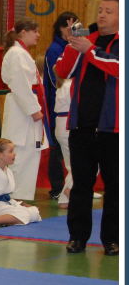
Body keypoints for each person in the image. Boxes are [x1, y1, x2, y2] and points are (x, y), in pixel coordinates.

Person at [54, 0, 119, 256]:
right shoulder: (85, 40)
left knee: (115, 187)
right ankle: (77, 237)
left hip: (113, 129)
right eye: (100, 10)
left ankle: (112, 239)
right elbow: (62, 72)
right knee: (81, 185)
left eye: (109, 11)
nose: (102, 15)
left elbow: (117, 67)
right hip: (82, 126)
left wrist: (89, 50)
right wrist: (73, 44)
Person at [1, 19, 47, 201]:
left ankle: (20, 197)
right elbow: (20, 84)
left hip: (26, 106)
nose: (38, 35)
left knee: (30, 153)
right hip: (22, 109)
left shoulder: (21, 53)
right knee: (19, 153)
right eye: (35, 31)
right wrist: (33, 110)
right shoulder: (16, 54)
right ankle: (13, 197)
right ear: (23, 32)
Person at [43, 11, 79, 199]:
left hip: (68, 108)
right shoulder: (55, 49)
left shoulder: (73, 47)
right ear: (60, 28)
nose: (70, 31)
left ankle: (72, 187)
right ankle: (59, 188)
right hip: (58, 105)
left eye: (74, 27)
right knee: (58, 149)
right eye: (67, 27)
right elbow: (55, 77)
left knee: (71, 156)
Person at [49, 55, 73, 209]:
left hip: (61, 124)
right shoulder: (71, 84)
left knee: (71, 165)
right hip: (70, 125)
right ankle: (70, 191)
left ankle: (64, 199)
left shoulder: (61, 85)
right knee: (86, 162)